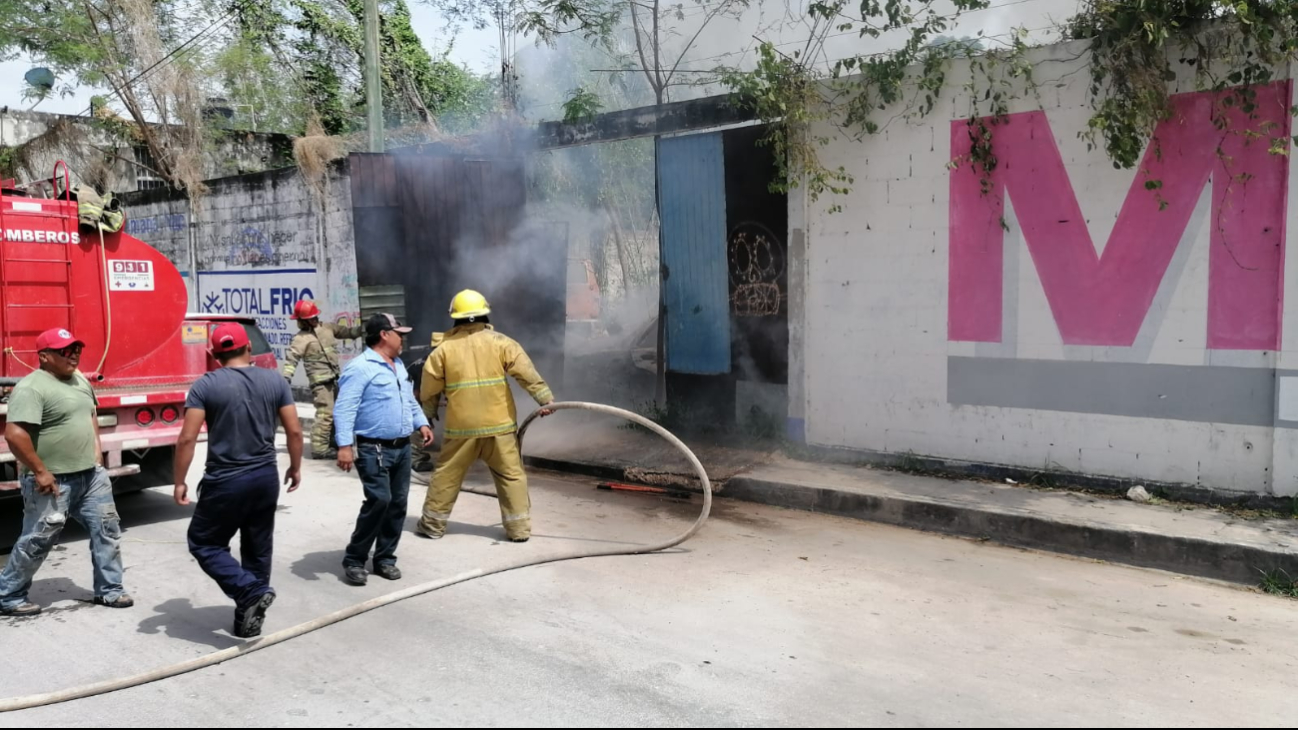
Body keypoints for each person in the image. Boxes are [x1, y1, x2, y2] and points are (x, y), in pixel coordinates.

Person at [174, 323, 304, 638]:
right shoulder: (274, 380)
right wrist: (296, 467)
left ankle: (248, 591)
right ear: (249, 349)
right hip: (264, 477)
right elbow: (295, 430)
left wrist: (179, 481)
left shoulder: (205, 385)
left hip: (226, 480)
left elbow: (187, 439)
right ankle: (249, 617)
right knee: (257, 548)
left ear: (214, 355)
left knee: (204, 542)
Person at [0, 328, 132, 616]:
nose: (73, 355)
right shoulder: (32, 388)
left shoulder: (80, 380)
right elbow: (15, 434)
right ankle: (8, 595)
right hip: (51, 480)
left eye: (76, 350)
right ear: (44, 357)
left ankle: (110, 590)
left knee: (107, 529)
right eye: (65, 351)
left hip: (91, 477)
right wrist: (41, 472)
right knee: (39, 538)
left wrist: (97, 451)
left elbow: (91, 413)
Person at [416, 290, 554, 543]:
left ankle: (432, 525)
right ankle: (519, 530)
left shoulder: (443, 351)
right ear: (484, 313)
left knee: (446, 476)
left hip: (461, 430)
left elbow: (429, 390)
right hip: (499, 426)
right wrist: (545, 400)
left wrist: (427, 417)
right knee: (511, 476)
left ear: (454, 318)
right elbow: (526, 373)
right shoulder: (502, 342)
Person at [333, 313, 434, 586]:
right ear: (384, 335)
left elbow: (409, 401)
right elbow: (344, 408)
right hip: (373, 448)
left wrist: (421, 423)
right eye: (399, 333)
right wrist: (344, 445)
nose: (403, 339)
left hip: (402, 448)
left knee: (398, 504)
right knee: (379, 501)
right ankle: (354, 559)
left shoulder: (398, 365)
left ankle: (385, 558)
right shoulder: (360, 367)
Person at [282, 300, 363, 460]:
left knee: (338, 413)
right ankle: (319, 449)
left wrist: (365, 328)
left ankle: (333, 442)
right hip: (320, 383)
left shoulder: (328, 328)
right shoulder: (300, 339)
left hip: (334, 379)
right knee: (326, 413)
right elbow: (291, 360)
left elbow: (349, 332)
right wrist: (286, 378)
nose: (312, 320)